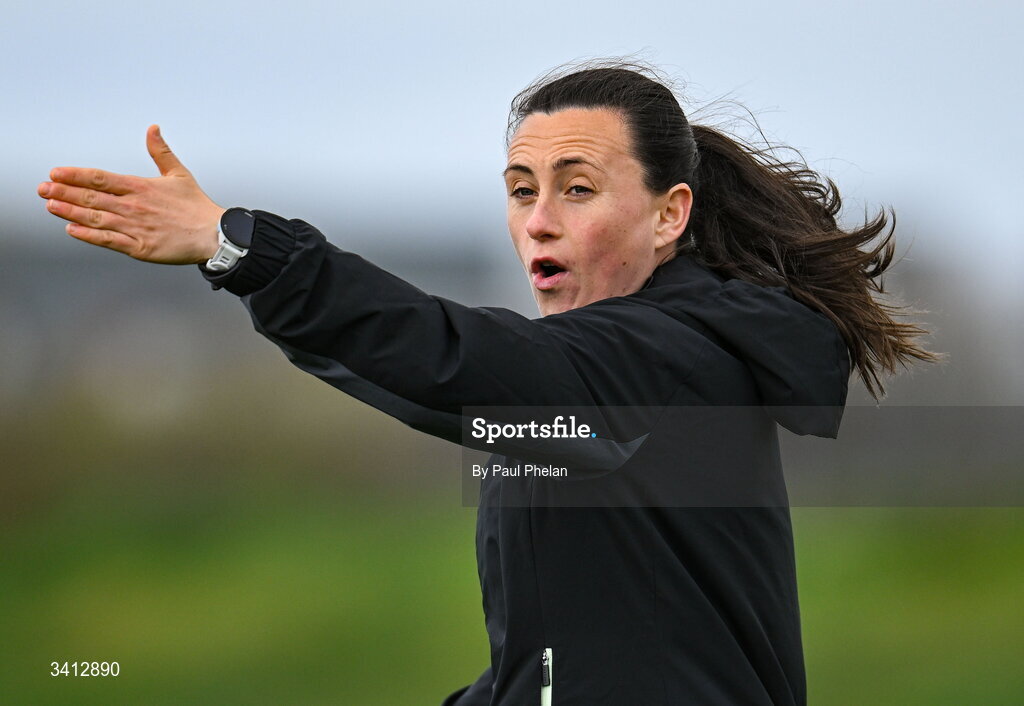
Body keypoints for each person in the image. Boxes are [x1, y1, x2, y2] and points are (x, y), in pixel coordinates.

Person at [38, 61, 937, 705]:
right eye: (520, 189)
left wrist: (242, 249)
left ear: (670, 215)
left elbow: (449, 355)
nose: (538, 221)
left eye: (576, 189)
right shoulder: (591, 394)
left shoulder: (663, 362)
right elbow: (564, 650)